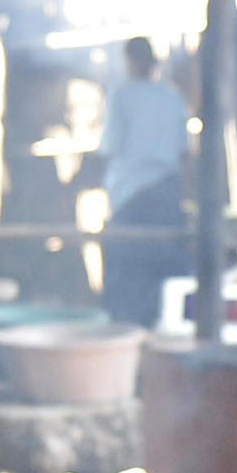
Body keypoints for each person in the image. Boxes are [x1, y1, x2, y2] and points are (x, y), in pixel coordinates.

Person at [93, 34, 193, 328]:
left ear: (130, 62)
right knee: (164, 268)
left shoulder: (120, 95)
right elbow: (184, 151)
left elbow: (110, 146)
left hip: (131, 194)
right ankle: (163, 327)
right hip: (166, 191)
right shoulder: (172, 98)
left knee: (127, 268)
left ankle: (128, 333)